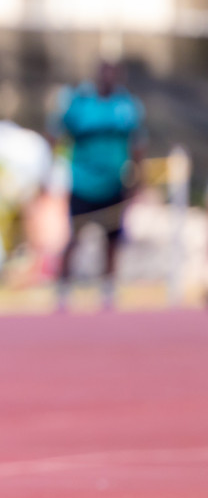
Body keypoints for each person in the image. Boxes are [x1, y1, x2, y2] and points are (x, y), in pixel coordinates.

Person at [52, 60, 144, 313]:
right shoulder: (79, 103)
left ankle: (108, 290)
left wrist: (138, 177)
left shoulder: (127, 105)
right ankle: (62, 290)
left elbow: (137, 142)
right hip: (82, 182)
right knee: (74, 238)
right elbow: (57, 133)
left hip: (114, 183)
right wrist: (51, 168)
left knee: (112, 240)